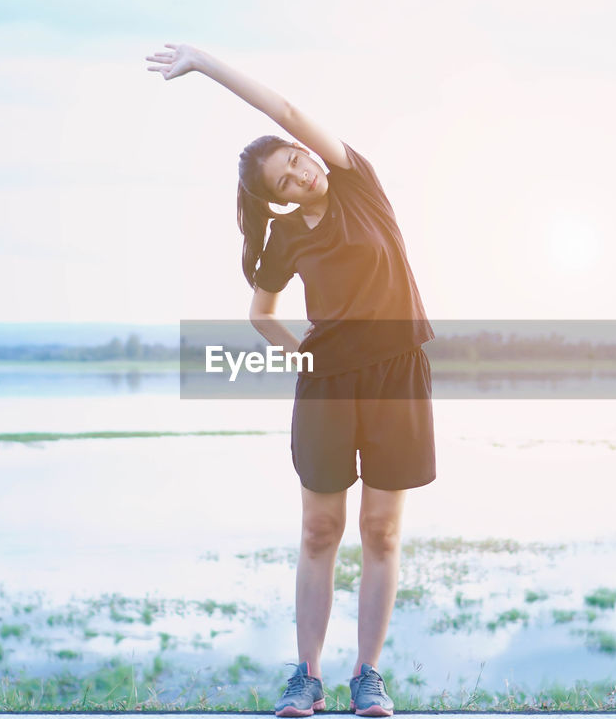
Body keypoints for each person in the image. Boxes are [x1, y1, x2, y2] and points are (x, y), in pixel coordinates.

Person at [146, 44, 436, 717]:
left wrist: (204, 63)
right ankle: (307, 676)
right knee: (319, 530)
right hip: (328, 385)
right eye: (284, 179)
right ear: (274, 199)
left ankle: (369, 675)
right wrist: (302, 352)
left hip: (397, 372)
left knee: (382, 531)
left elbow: (285, 108)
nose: (301, 173)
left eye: (297, 158)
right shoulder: (283, 241)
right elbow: (261, 313)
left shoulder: (356, 179)